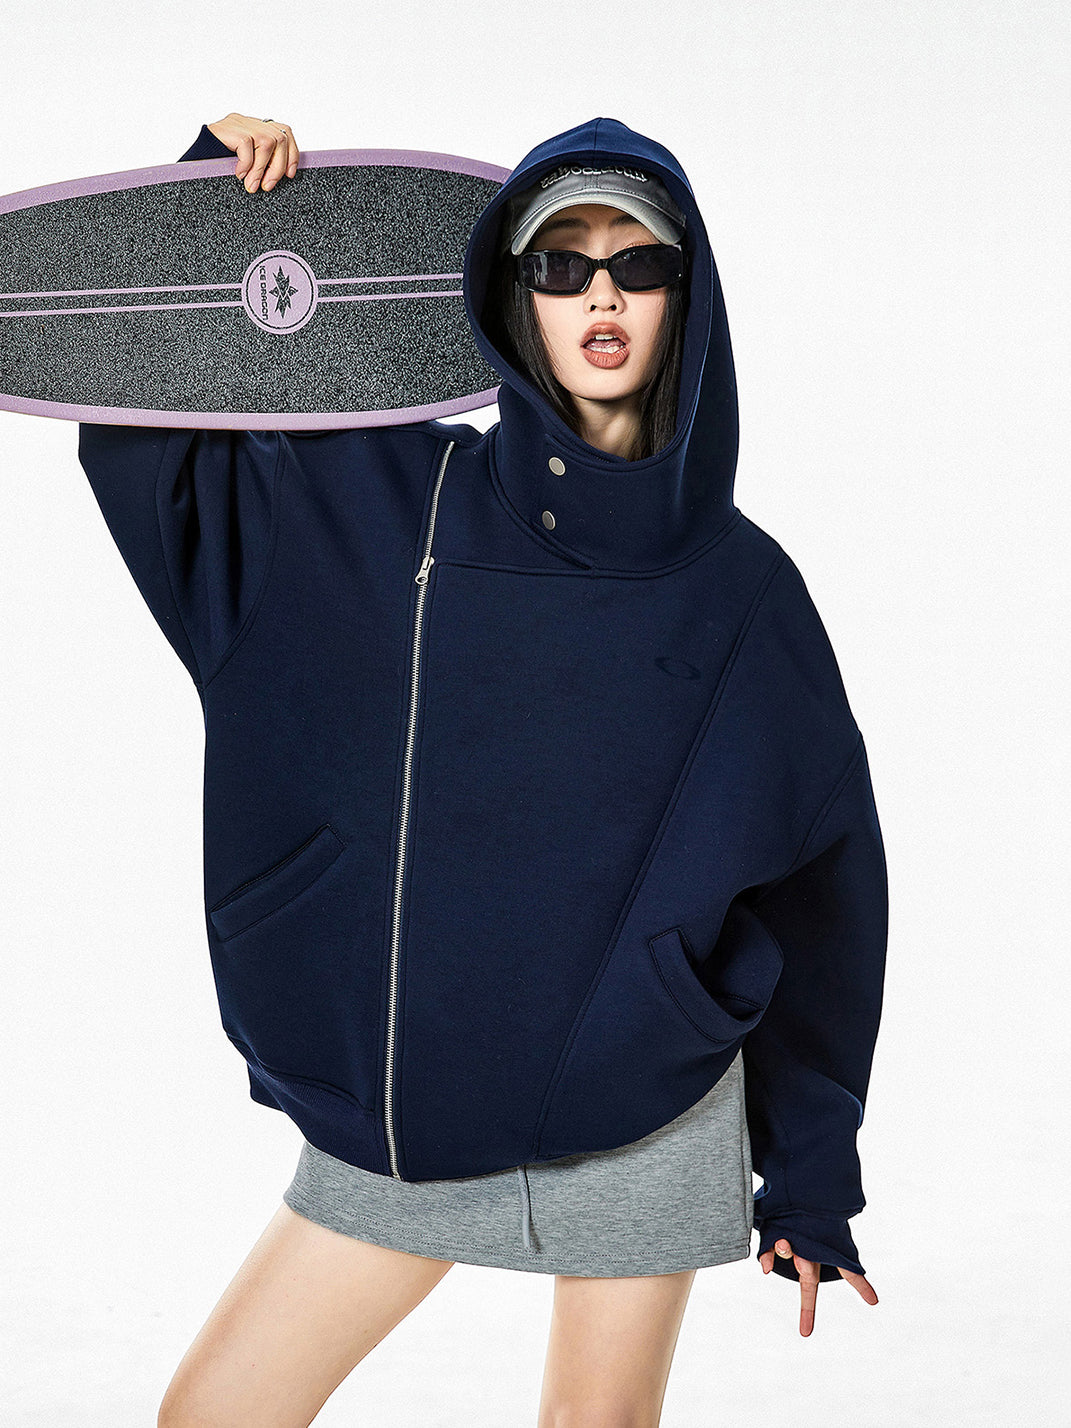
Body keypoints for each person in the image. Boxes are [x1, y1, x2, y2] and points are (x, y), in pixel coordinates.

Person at [75, 112, 887, 1427]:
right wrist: (206, 200)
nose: (602, 295)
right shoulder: (388, 501)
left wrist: (808, 1175)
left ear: (688, 298)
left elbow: (825, 901)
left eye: (639, 263)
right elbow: (159, 456)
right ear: (514, 302)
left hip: (646, 1100)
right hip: (412, 1101)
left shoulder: (746, 593)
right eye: (562, 266)